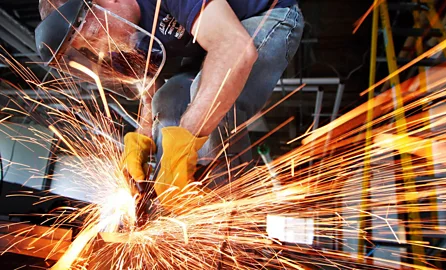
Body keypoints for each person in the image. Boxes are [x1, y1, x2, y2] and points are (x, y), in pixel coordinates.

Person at [37, 0, 304, 204]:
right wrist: (142, 137)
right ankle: (176, 205)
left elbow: (234, 49)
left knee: (208, 96)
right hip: (207, 49)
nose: (103, 46)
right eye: (91, 46)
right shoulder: (126, 32)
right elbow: (151, 90)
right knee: (168, 101)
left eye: (96, 34)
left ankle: (227, 205)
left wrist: (185, 141)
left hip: (268, 17)